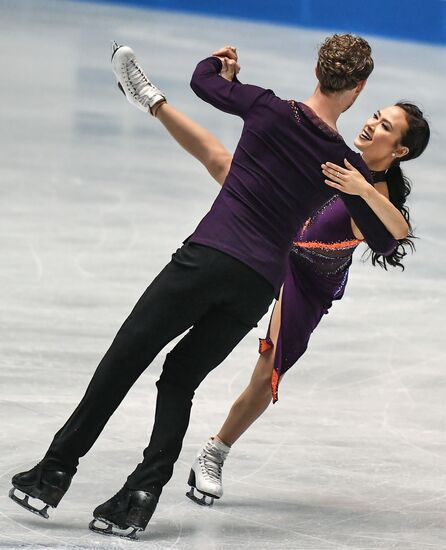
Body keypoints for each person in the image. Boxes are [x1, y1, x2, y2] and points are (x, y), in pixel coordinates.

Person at [9, 35, 400, 540]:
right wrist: (363, 186)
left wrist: (225, 64)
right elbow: (388, 244)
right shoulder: (343, 165)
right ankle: (140, 495)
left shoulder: (267, 107)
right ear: (359, 87)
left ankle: (54, 472)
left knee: (126, 357)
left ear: (318, 70)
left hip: (206, 259)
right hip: (256, 286)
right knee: (179, 380)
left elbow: (202, 81)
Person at [117, 54, 430, 507]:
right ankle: (152, 101)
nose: (372, 125)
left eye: (385, 128)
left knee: (269, 373)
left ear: (399, 150)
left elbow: (396, 232)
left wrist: (361, 188)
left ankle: (215, 451)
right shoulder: (334, 149)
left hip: (310, 279)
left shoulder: (374, 192)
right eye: (376, 115)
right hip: (272, 249)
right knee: (223, 162)